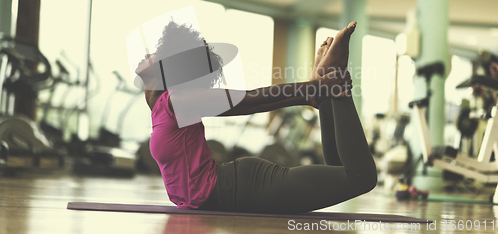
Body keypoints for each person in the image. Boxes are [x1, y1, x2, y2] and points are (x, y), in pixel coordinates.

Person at [135, 21, 377, 214]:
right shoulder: (159, 106)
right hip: (234, 191)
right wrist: (310, 92)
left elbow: (249, 99)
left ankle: (336, 84)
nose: (146, 54)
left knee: (361, 178)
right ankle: (326, 91)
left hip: (244, 188)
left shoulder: (177, 101)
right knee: (337, 172)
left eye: (154, 53)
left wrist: (312, 87)